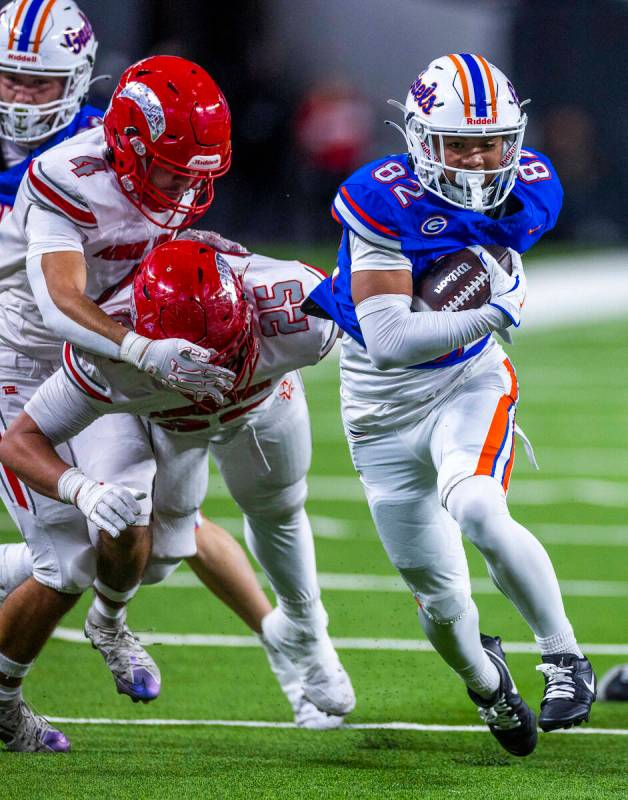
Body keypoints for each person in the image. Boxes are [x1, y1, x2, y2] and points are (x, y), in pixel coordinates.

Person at [0, 1, 342, 732]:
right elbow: (60, 302)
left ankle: (265, 638)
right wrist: (138, 348)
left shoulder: (148, 152)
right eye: (13, 81)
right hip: (34, 353)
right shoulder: (68, 176)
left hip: (110, 349)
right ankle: (4, 702)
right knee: (67, 557)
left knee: (141, 527)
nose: (183, 189)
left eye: (41, 83)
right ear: (127, 146)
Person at [305, 53, 596, 756]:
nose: (477, 157)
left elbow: (491, 259)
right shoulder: (380, 199)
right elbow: (392, 338)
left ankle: (565, 658)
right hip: (379, 408)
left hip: (469, 383)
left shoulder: (531, 187)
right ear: (418, 140)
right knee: (441, 606)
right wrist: (496, 309)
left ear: (515, 137)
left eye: (492, 140)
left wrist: (490, 299)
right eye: (458, 142)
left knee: (477, 506)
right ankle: (487, 682)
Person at [0, 238, 354, 751]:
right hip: (169, 426)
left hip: (263, 407)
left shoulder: (297, 305)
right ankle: (43, 577)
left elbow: (380, 323)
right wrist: (81, 490)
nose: (217, 373)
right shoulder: (107, 356)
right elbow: (22, 441)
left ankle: (304, 629)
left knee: (278, 505)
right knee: (153, 557)